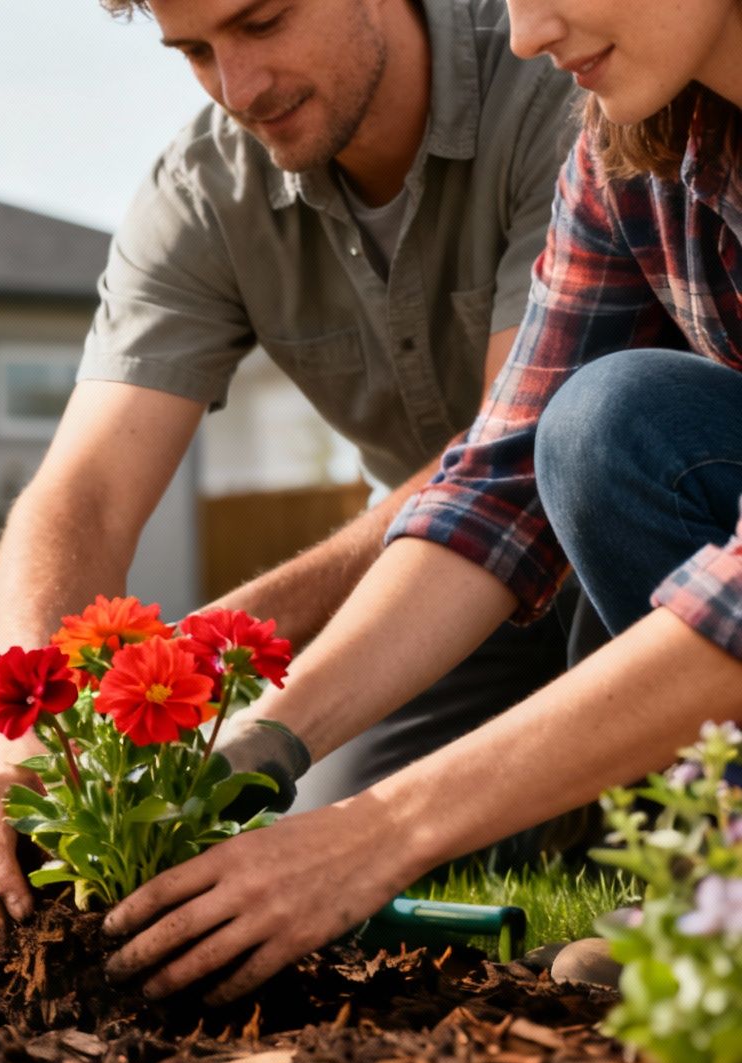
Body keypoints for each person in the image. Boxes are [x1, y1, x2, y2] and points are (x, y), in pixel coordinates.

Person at [99, 0, 742, 1004]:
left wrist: (379, 832)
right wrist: (267, 732)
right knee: (602, 421)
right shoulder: (631, 148)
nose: (525, 33)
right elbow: (498, 482)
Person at [0, 0, 581, 936]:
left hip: (616, 541)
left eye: (264, 22)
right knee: (309, 825)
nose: (239, 89)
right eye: (195, 50)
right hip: (425, 594)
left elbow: (513, 444)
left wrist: (221, 641)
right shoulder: (204, 190)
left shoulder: (556, 78)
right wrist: (27, 731)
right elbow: (84, 494)